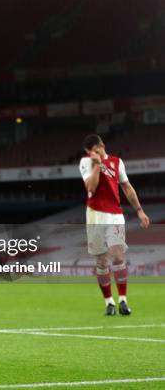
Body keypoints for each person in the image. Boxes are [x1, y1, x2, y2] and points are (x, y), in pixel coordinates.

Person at [79, 134, 150, 316]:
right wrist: (95, 164)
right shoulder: (86, 163)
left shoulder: (117, 162)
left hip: (115, 215)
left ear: (102, 145)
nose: (92, 154)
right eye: (89, 153)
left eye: (95, 151)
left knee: (118, 256)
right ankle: (109, 302)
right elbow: (91, 188)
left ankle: (123, 301)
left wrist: (139, 210)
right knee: (101, 261)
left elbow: (127, 187)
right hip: (95, 215)